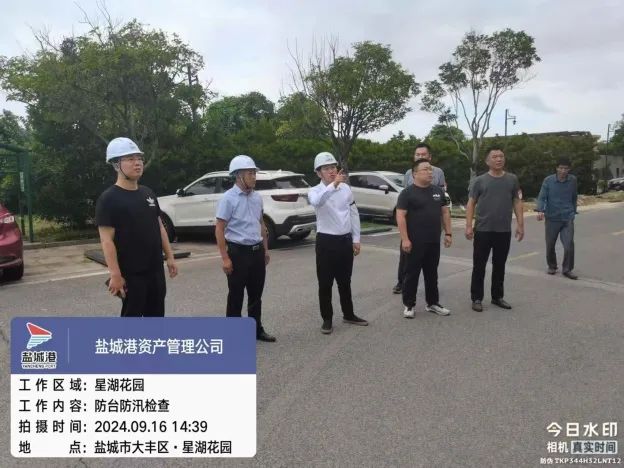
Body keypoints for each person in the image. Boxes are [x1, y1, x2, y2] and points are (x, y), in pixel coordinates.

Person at [96, 137, 178, 317]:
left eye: (139, 158)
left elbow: (160, 227)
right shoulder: (108, 199)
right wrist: (115, 275)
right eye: (130, 159)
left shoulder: (148, 193)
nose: (138, 163)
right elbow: (106, 240)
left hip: (155, 270)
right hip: (131, 274)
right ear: (116, 164)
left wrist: (170, 257)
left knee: (156, 318)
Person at [215, 155, 276, 342]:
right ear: (238, 175)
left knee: (256, 295)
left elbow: (261, 224)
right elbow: (219, 228)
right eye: (250, 173)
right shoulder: (228, 198)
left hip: (256, 252)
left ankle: (256, 329)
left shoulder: (257, 198)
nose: (254, 177)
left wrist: (265, 249)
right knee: (236, 295)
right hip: (237, 253)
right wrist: (225, 258)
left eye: (254, 173)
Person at [308, 152, 368, 334]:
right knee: (325, 283)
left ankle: (348, 314)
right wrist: (333, 185)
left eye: (333, 167)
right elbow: (318, 202)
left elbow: (353, 213)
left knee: (345, 281)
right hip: (326, 241)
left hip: (345, 240)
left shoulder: (346, 189)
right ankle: (327, 319)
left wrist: (356, 239)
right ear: (318, 173)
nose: (331, 171)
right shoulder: (314, 191)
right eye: (326, 169)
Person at [465, 146, 524, 312]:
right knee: (479, 265)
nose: (499, 159)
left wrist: (520, 224)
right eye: (495, 157)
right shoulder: (479, 181)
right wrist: (468, 226)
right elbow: (471, 203)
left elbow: (517, 201)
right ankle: (476, 298)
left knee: (500, 265)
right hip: (483, 230)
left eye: (501, 156)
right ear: (487, 161)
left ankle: (497, 296)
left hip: (503, 230)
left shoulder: (512, 179)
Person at [396, 158, 453, 318]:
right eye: (425, 169)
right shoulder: (406, 193)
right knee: (411, 274)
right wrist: (405, 239)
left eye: (430, 169)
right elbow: (400, 216)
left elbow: (445, 212)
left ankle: (433, 303)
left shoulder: (439, 191)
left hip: (433, 241)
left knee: (432, 274)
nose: (430, 172)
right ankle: (409, 305)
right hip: (414, 242)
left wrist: (448, 233)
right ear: (415, 174)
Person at [393, 143, 446, 294]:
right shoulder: (408, 173)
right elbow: (405, 196)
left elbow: (443, 196)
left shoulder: (438, 172)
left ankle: (431, 295)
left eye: (423, 154)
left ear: (430, 157)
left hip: (430, 224)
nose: (420, 156)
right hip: (412, 225)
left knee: (430, 262)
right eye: (417, 154)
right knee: (406, 256)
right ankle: (402, 282)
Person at [535, 157, 578, 279]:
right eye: (561, 168)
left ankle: (567, 269)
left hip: (567, 217)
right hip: (552, 217)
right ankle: (552, 266)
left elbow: (574, 196)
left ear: (569, 169)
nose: (563, 171)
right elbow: (542, 197)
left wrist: (573, 210)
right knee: (550, 244)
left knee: (569, 244)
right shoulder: (548, 181)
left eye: (566, 168)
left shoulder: (573, 180)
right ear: (556, 168)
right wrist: (540, 210)